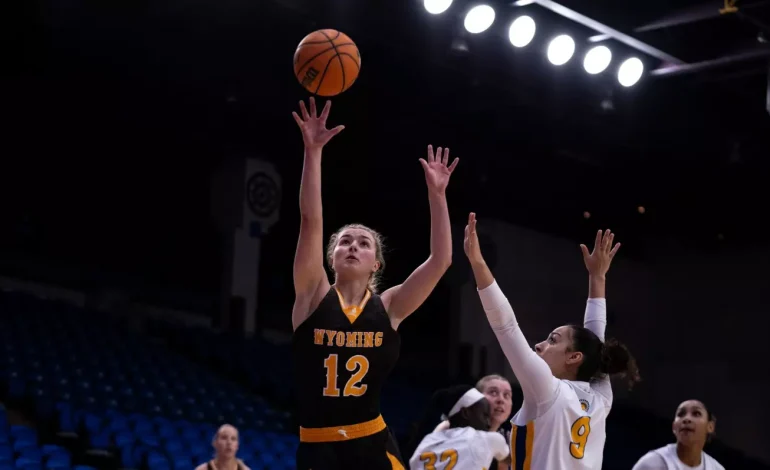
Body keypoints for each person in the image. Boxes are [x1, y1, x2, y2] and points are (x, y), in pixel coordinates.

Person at [290, 97, 458, 470]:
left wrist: (437, 196)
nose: (352, 246)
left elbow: (441, 261)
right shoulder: (312, 294)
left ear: (376, 264)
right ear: (331, 256)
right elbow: (310, 220)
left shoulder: (390, 306)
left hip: (372, 442)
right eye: (345, 241)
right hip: (319, 447)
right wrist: (312, 151)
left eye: (363, 243)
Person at [463, 213, 641, 469]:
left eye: (552, 340)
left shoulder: (547, 389)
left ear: (573, 357)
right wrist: (597, 278)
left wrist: (478, 263)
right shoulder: (602, 398)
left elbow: (507, 326)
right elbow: (595, 339)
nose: (539, 345)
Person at [409, 385, 509, 470]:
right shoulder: (486, 439)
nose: (488, 423)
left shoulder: (427, 442)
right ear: (466, 413)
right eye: (484, 415)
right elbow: (515, 460)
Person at [632, 399, 725, 470]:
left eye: (696, 413)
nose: (687, 419)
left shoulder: (716, 468)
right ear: (674, 427)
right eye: (681, 414)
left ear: (710, 426)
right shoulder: (653, 463)